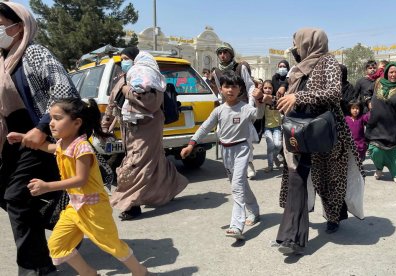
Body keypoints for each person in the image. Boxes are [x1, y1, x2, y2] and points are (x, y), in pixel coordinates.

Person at [7, 98, 150, 276]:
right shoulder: (62, 144)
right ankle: (89, 273)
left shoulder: (82, 148)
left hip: (94, 208)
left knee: (111, 244)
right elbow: (48, 147)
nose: (51, 123)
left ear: (76, 123)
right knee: (57, 245)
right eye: (50, 118)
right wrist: (23, 137)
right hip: (74, 207)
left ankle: (141, 272)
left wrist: (47, 186)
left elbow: (80, 180)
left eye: (57, 118)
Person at [260, 28, 364, 254]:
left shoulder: (329, 62)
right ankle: (290, 237)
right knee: (296, 180)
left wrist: (299, 96)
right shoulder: (297, 69)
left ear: (310, 42)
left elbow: (334, 93)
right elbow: (290, 101)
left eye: (297, 43)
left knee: (328, 179)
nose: (295, 48)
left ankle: (334, 217)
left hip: (325, 131)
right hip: (298, 130)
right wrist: (273, 99)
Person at [0, 2, 79, 275]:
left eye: (0, 24)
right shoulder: (3, 61)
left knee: (17, 198)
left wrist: (43, 126)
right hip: (12, 144)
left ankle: (36, 267)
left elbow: (64, 89)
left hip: (39, 142)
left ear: (18, 26)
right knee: (12, 196)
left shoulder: (33, 53)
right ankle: (67, 224)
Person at [102, 47, 188, 220]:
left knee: (136, 163)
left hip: (148, 127)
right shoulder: (124, 78)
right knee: (155, 160)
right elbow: (113, 100)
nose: (123, 61)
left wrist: (127, 90)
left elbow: (150, 103)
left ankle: (131, 204)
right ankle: (171, 188)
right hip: (130, 129)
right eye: (122, 59)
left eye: (126, 58)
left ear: (135, 59)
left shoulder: (147, 78)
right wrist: (106, 123)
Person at [181, 71, 263, 240]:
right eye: (226, 86)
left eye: (234, 86)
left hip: (241, 150)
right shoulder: (218, 111)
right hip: (226, 151)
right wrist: (192, 143)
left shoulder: (246, 108)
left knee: (237, 186)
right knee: (240, 184)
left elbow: (259, 114)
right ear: (221, 89)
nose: (230, 90)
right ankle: (254, 210)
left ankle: (236, 225)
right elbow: (205, 127)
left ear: (240, 89)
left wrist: (260, 99)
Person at [211, 42, 259, 178]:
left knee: (246, 136)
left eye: (225, 52)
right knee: (222, 133)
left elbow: (250, 86)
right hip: (227, 107)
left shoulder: (240, 67)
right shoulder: (216, 71)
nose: (222, 55)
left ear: (231, 54)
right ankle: (232, 166)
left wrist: (250, 105)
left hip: (242, 105)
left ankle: (249, 163)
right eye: (220, 53)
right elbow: (220, 91)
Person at [365, 62, 396, 184]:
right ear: (387, 72)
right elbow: (367, 93)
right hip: (377, 125)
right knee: (374, 150)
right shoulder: (378, 83)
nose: (394, 74)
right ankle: (379, 168)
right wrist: (368, 101)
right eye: (391, 72)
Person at [262, 80, 283, 172]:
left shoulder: (276, 99)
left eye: (270, 88)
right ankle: (270, 166)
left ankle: (274, 157)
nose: (267, 90)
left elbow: (275, 104)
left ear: (273, 89)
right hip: (267, 128)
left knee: (278, 145)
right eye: (265, 88)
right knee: (270, 146)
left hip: (277, 126)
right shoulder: (261, 101)